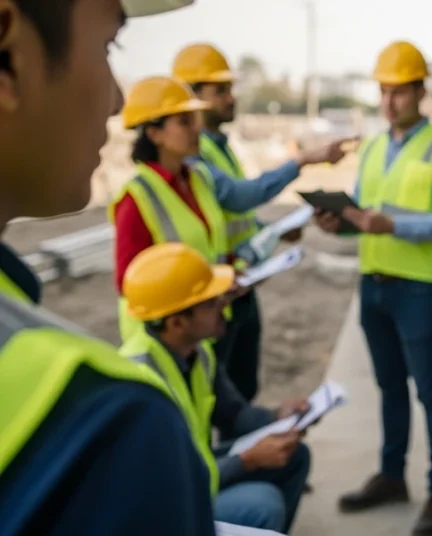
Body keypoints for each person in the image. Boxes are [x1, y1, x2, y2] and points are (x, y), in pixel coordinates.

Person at [0, 0, 218, 534]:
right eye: (107, 45)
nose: (118, 99)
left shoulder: (199, 179)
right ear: (7, 55)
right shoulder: (112, 429)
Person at [314, 40, 432, 536]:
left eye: (399, 91)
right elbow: (366, 214)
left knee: (431, 391)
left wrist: (392, 226)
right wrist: (339, 223)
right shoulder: (375, 148)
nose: (389, 101)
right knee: (389, 387)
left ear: (421, 91)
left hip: (421, 288)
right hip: (375, 283)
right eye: (383, 91)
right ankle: (391, 476)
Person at [172, 42, 346, 401]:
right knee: (217, 398)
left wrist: (274, 232)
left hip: (240, 284)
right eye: (220, 90)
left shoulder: (220, 148)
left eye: (230, 89)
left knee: (243, 390)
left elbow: (236, 218)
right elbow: (241, 197)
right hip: (214, 294)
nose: (231, 98)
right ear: (193, 96)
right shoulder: (191, 158)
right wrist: (303, 161)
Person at [120, 242, 313, 534]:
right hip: (166, 505)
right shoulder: (140, 382)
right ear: (177, 322)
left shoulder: (196, 352)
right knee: (263, 504)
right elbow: (169, 483)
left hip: (194, 468)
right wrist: (246, 461)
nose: (224, 305)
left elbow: (234, 414)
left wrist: (279, 417)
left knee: (295, 454)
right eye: (210, 303)